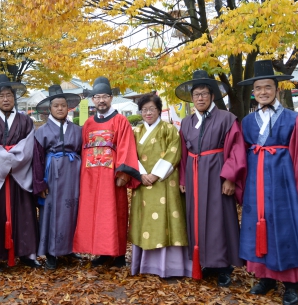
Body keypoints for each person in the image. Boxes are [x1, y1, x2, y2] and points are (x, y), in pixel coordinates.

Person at [237, 60, 298, 305]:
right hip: (256, 186)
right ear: (253, 92)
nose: (263, 92)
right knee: (259, 226)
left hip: (284, 185)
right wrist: (240, 185)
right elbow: (241, 156)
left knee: (285, 230)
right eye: (258, 88)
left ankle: (291, 284)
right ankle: (265, 277)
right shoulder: (247, 122)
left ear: (277, 89)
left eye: (268, 87)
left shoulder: (292, 119)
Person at [176, 70, 247, 287]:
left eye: (204, 94)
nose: (200, 98)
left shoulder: (227, 119)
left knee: (220, 219)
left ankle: (224, 266)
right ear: (192, 97)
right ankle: (204, 262)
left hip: (217, 174)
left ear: (212, 96)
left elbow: (237, 149)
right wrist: (183, 179)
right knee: (197, 218)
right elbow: (183, 153)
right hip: (194, 174)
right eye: (196, 94)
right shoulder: (186, 122)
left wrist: (230, 178)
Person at [73, 77, 141, 267]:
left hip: (112, 176)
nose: (101, 101)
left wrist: (123, 173)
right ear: (93, 100)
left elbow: (126, 147)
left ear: (111, 98)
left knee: (114, 212)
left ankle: (118, 253)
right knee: (95, 213)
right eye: (97, 97)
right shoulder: (88, 124)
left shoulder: (121, 121)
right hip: (91, 176)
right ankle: (101, 251)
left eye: (105, 97)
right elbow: (83, 149)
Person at [0, 74, 41, 270]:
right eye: (1, 96)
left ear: (14, 98)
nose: (5, 99)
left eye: (9, 95)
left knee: (24, 212)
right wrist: (4, 160)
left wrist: (11, 160)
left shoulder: (26, 121)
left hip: (19, 175)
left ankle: (27, 255)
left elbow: (28, 145)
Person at [128, 93, 191, 278]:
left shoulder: (169, 129)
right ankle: (145, 265)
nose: (148, 113)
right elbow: (131, 154)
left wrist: (155, 174)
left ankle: (170, 267)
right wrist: (141, 174)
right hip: (142, 182)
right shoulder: (136, 131)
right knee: (145, 220)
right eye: (144, 109)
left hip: (165, 180)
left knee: (168, 221)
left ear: (158, 110)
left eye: (152, 109)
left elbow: (174, 151)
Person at [32, 85, 82, 270]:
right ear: (50, 109)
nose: (60, 108)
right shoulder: (41, 131)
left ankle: (69, 248)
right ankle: (51, 253)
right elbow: (36, 159)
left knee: (72, 211)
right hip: (51, 174)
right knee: (51, 212)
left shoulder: (77, 130)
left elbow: (82, 154)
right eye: (56, 106)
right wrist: (39, 182)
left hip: (73, 174)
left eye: (63, 105)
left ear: (68, 107)